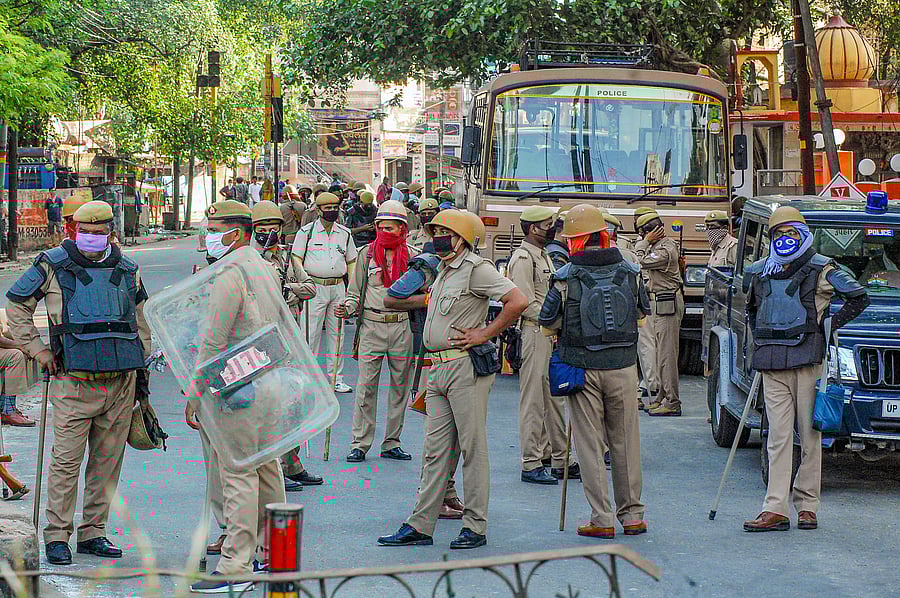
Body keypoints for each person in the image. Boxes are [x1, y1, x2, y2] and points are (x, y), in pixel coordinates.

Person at [6, 200, 152, 565]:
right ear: (73, 231)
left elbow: (140, 321)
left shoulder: (128, 267)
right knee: (66, 463)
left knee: (106, 462)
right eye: (84, 231)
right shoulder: (52, 263)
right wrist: (38, 351)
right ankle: (57, 536)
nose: (90, 237)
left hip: (120, 382)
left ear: (110, 232)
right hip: (73, 380)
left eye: (98, 232)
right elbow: (16, 305)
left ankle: (93, 532)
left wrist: (140, 367)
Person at [377, 210, 527, 549]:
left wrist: (484, 334)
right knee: (435, 451)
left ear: (462, 237)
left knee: (472, 449)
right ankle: (421, 524)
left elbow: (517, 300)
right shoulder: (442, 269)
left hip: (464, 367)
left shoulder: (477, 269)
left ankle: (475, 525)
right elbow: (399, 299)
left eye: (445, 231)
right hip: (438, 368)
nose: (437, 237)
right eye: (436, 231)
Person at [743, 206, 869, 533]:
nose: (785, 238)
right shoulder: (759, 271)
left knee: (810, 436)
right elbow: (752, 311)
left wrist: (828, 323)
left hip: (808, 362)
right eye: (778, 233)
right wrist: (761, 342)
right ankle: (775, 508)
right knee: (777, 438)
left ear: (803, 233)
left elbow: (858, 296)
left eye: (791, 232)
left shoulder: (822, 268)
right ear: (771, 237)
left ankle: (808, 506)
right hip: (772, 363)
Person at [185, 200, 286, 593]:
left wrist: (195, 393)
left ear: (239, 232)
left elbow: (213, 341)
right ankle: (275, 553)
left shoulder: (230, 272)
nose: (210, 234)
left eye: (217, 227)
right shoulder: (261, 265)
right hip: (267, 379)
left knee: (238, 473)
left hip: (237, 387)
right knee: (265, 468)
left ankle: (236, 565)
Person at [539, 204, 650, 539]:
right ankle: (632, 516)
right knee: (626, 443)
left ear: (574, 240)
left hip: (582, 370)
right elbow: (642, 318)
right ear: (604, 235)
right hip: (624, 368)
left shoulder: (564, 276)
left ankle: (601, 519)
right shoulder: (630, 272)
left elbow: (546, 325)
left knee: (589, 445)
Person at [250, 201, 324, 491]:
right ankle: (273, 470)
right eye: (262, 228)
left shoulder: (288, 259)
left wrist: (287, 288)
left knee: (293, 404)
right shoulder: (247, 260)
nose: (268, 232)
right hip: (260, 342)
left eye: (273, 227)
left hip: (288, 339)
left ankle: (292, 465)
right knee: (268, 407)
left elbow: (310, 288)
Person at [338, 200, 418, 462]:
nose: (386, 232)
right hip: (372, 326)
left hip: (401, 326)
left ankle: (392, 442)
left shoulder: (414, 258)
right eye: (381, 227)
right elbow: (354, 293)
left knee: (400, 387)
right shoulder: (366, 255)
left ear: (403, 229)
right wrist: (347, 308)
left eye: (392, 228)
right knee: (366, 388)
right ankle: (360, 443)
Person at [508, 206, 577, 485]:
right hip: (534, 332)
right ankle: (531, 462)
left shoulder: (543, 255)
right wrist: (556, 319)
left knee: (554, 399)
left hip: (547, 332)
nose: (552, 227)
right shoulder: (523, 258)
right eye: (547, 224)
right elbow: (524, 302)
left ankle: (559, 458)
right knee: (534, 401)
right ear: (533, 227)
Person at [291, 192, 357, 394]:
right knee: (310, 334)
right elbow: (296, 258)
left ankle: (336, 378)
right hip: (315, 288)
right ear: (318, 210)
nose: (331, 211)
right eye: (327, 208)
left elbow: (352, 261)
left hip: (338, 287)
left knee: (337, 333)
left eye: (334, 207)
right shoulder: (307, 232)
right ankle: (307, 378)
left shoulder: (344, 233)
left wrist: (351, 289)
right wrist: (306, 281)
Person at [633, 210, 682, 417]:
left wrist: (643, 243)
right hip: (660, 302)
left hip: (667, 302)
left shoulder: (665, 249)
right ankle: (662, 396)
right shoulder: (659, 246)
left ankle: (672, 402)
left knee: (667, 355)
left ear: (650, 231)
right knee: (660, 353)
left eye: (644, 232)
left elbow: (638, 262)